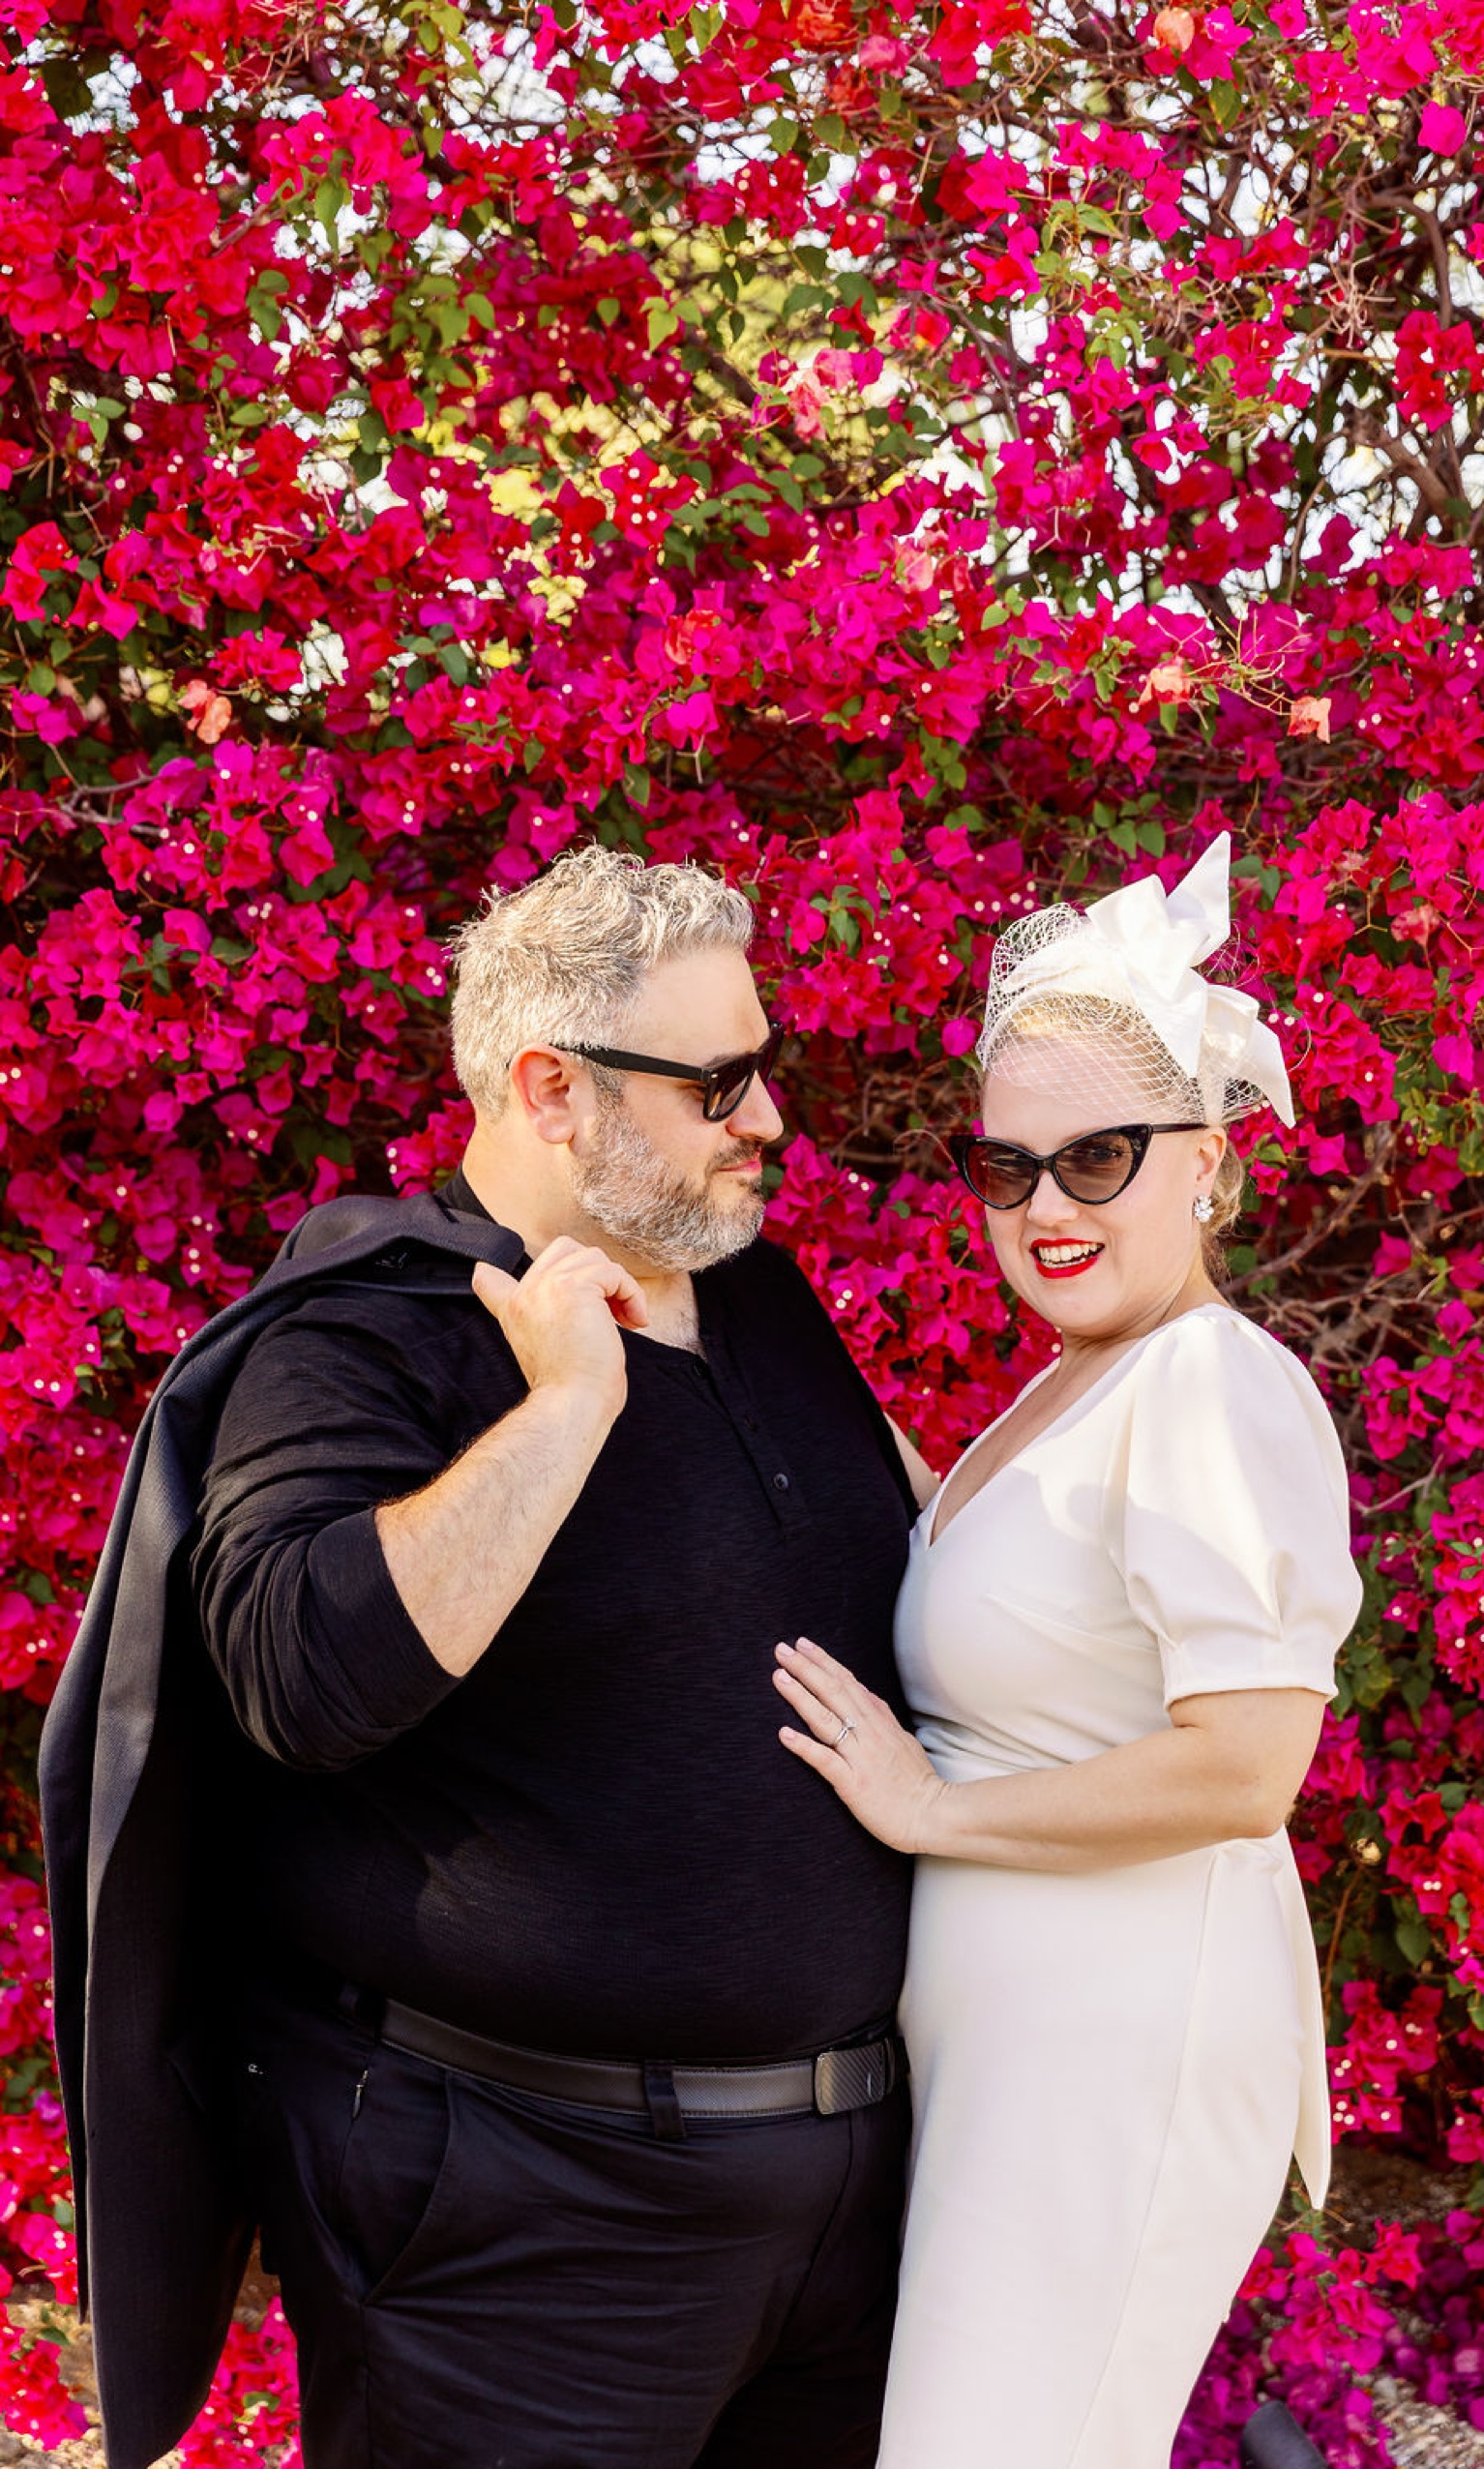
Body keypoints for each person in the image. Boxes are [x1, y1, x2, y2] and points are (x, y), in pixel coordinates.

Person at [46, 848, 932, 2469]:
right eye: (720, 1079)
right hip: (525, 2228)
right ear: (552, 1090)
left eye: (765, 1066)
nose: (771, 1119)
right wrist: (568, 1410)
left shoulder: (757, 1299)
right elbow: (296, 1679)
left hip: (841, 2207)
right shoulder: (366, 1332)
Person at [771, 834, 1364, 2469]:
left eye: (1100, 1158)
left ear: (1211, 1165)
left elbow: (1250, 1764)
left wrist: (931, 1813)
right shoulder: (1070, 1390)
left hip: (1123, 2040)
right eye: (1007, 1167)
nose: (1046, 1206)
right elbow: (976, 1563)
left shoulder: (1211, 1382)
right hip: (1027, 2053)